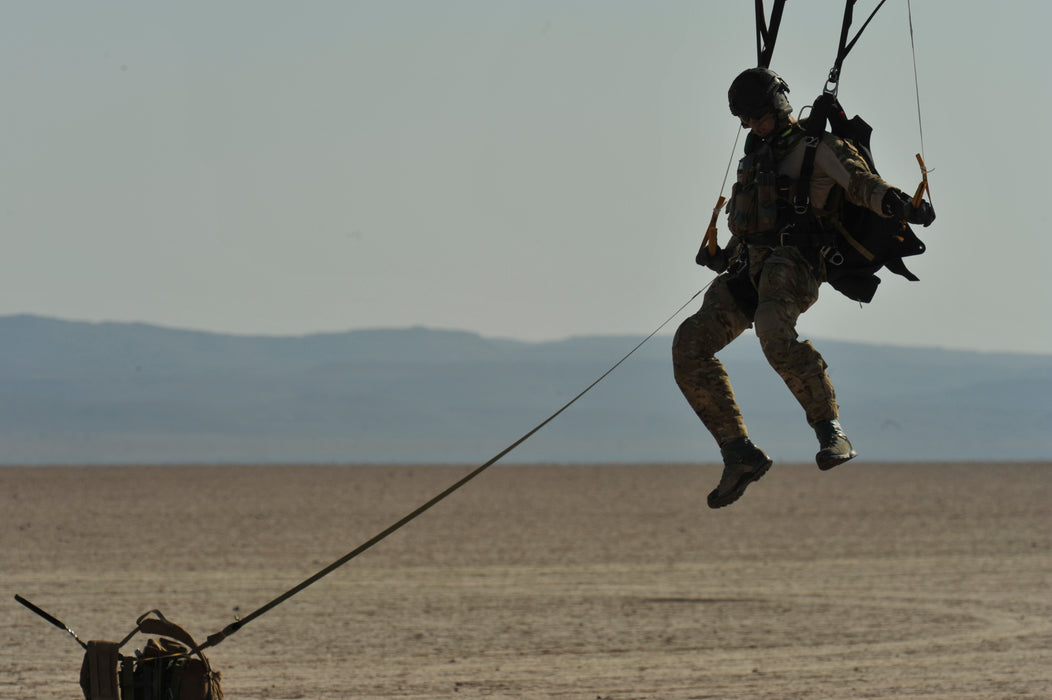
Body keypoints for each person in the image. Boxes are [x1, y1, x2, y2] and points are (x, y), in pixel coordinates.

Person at [672, 67, 935, 509]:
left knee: (772, 327)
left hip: (795, 264)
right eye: (747, 122)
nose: (754, 128)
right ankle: (740, 454)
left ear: (777, 107)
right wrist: (722, 255)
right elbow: (755, 218)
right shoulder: (754, 158)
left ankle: (830, 430)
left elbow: (862, 184)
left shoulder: (820, 150)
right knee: (689, 344)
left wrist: (900, 206)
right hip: (747, 266)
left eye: (759, 118)